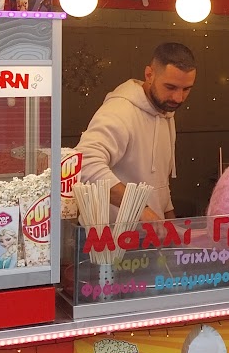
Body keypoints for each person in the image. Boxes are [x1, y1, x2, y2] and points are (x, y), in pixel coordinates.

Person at [78, 43, 197, 221]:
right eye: (170, 87)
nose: (178, 98)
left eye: (186, 89)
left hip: (147, 238)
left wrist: (173, 228)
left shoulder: (165, 112)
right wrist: (138, 208)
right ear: (149, 75)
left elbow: (159, 184)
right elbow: (84, 164)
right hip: (109, 241)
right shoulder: (119, 111)